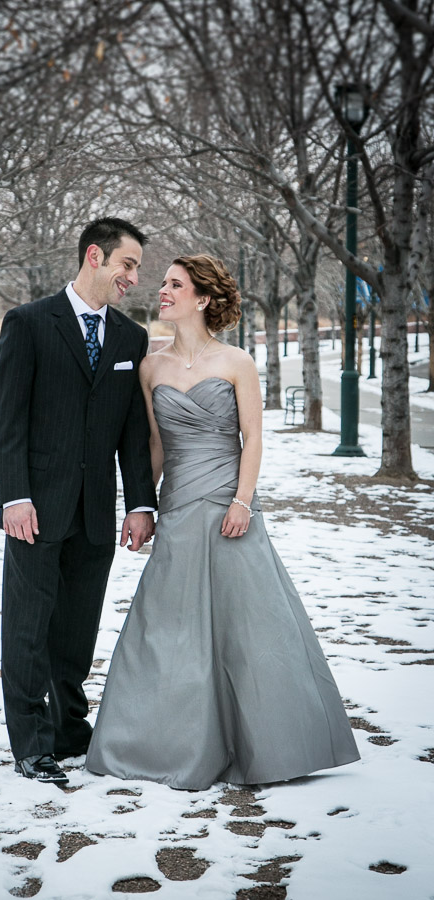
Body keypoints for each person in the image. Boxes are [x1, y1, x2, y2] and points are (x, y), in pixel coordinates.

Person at [86, 253, 360, 790]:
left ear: (203, 299)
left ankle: (270, 746)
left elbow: (253, 437)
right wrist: (141, 506)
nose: (162, 291)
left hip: (229, 507)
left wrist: (243, 502)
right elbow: (155, 446)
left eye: (174, 285)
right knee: (166, 630)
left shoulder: (237, 362)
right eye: (162, 283)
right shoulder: (151, 367)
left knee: (249, 631)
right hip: (180, 508)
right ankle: (157, 742)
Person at [0, 217, 157, 785]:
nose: (134, 277)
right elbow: (6, 421)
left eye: (136, 267)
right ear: (94, 256)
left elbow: (134, 434)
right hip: (34, 510)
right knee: (29, 628)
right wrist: (14, 496)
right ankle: (31, 743)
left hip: (94, 514)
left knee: (76, 631)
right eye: (127, 264)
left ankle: (67, 731)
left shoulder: (131, 339)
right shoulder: (30, 323)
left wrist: (140, 504)